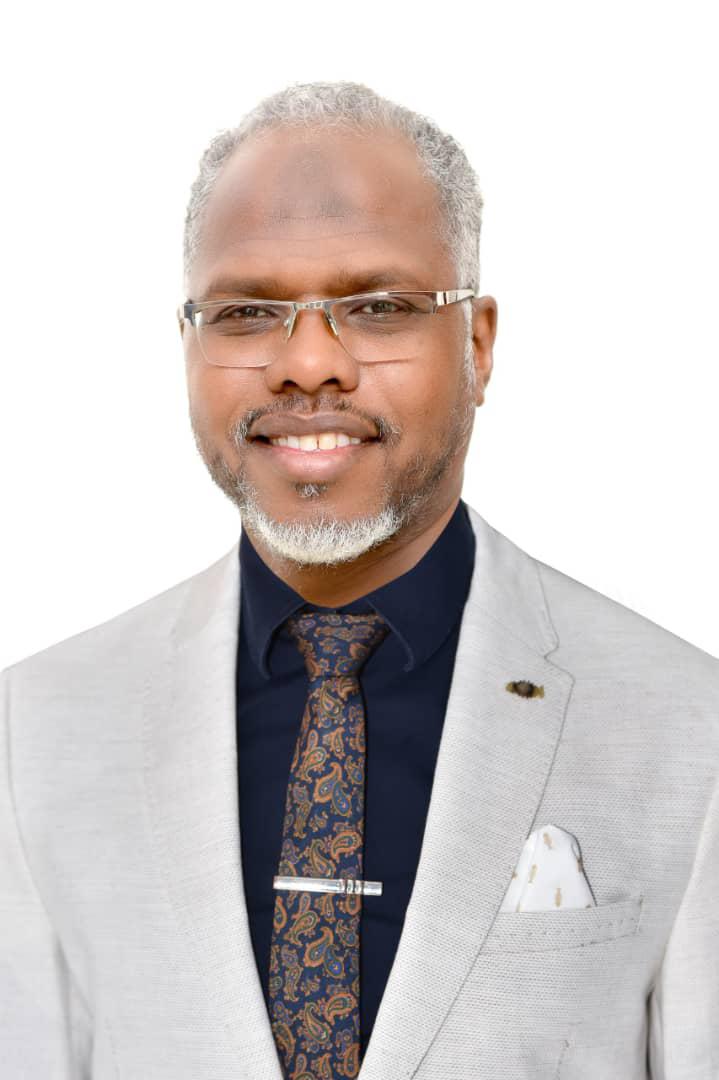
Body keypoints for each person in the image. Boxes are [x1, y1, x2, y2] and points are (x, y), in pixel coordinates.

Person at [1, 81, 717, 1080]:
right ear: (188, 344)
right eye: (247, 312)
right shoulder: (35, 730)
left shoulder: (688, 729)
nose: (307, 364)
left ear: (476, 346)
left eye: (377, 307)